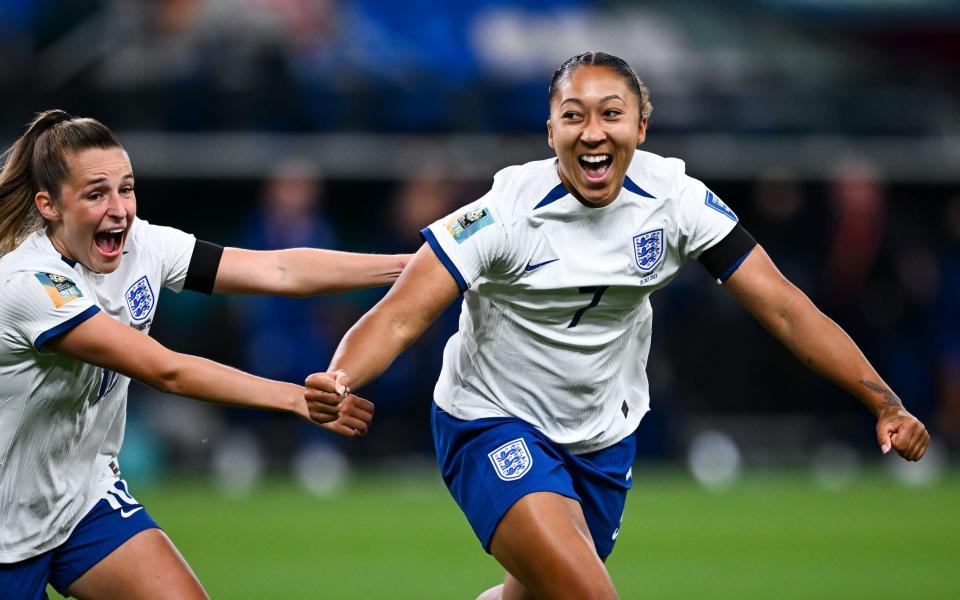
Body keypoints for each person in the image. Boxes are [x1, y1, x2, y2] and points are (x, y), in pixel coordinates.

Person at [305, 52, 930, 600]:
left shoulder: (676, 200)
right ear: (550, 131)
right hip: (491, 422)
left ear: (640, 126)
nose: (592, 132)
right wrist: (340, 377)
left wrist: (884, 401)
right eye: (573, 115)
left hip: (603, 440)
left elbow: (786, 308)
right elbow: (399, 317)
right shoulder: (504, 213)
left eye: (611, 113)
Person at [0, 110, 409, 600]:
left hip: (83, 499)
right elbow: (165, 369)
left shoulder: (144, 246)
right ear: (48, 205)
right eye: (96, 194)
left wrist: (417, 265)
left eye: (126, 189)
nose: (119, 209)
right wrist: (297, 399)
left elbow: (279, 270)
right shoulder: (29, 285)